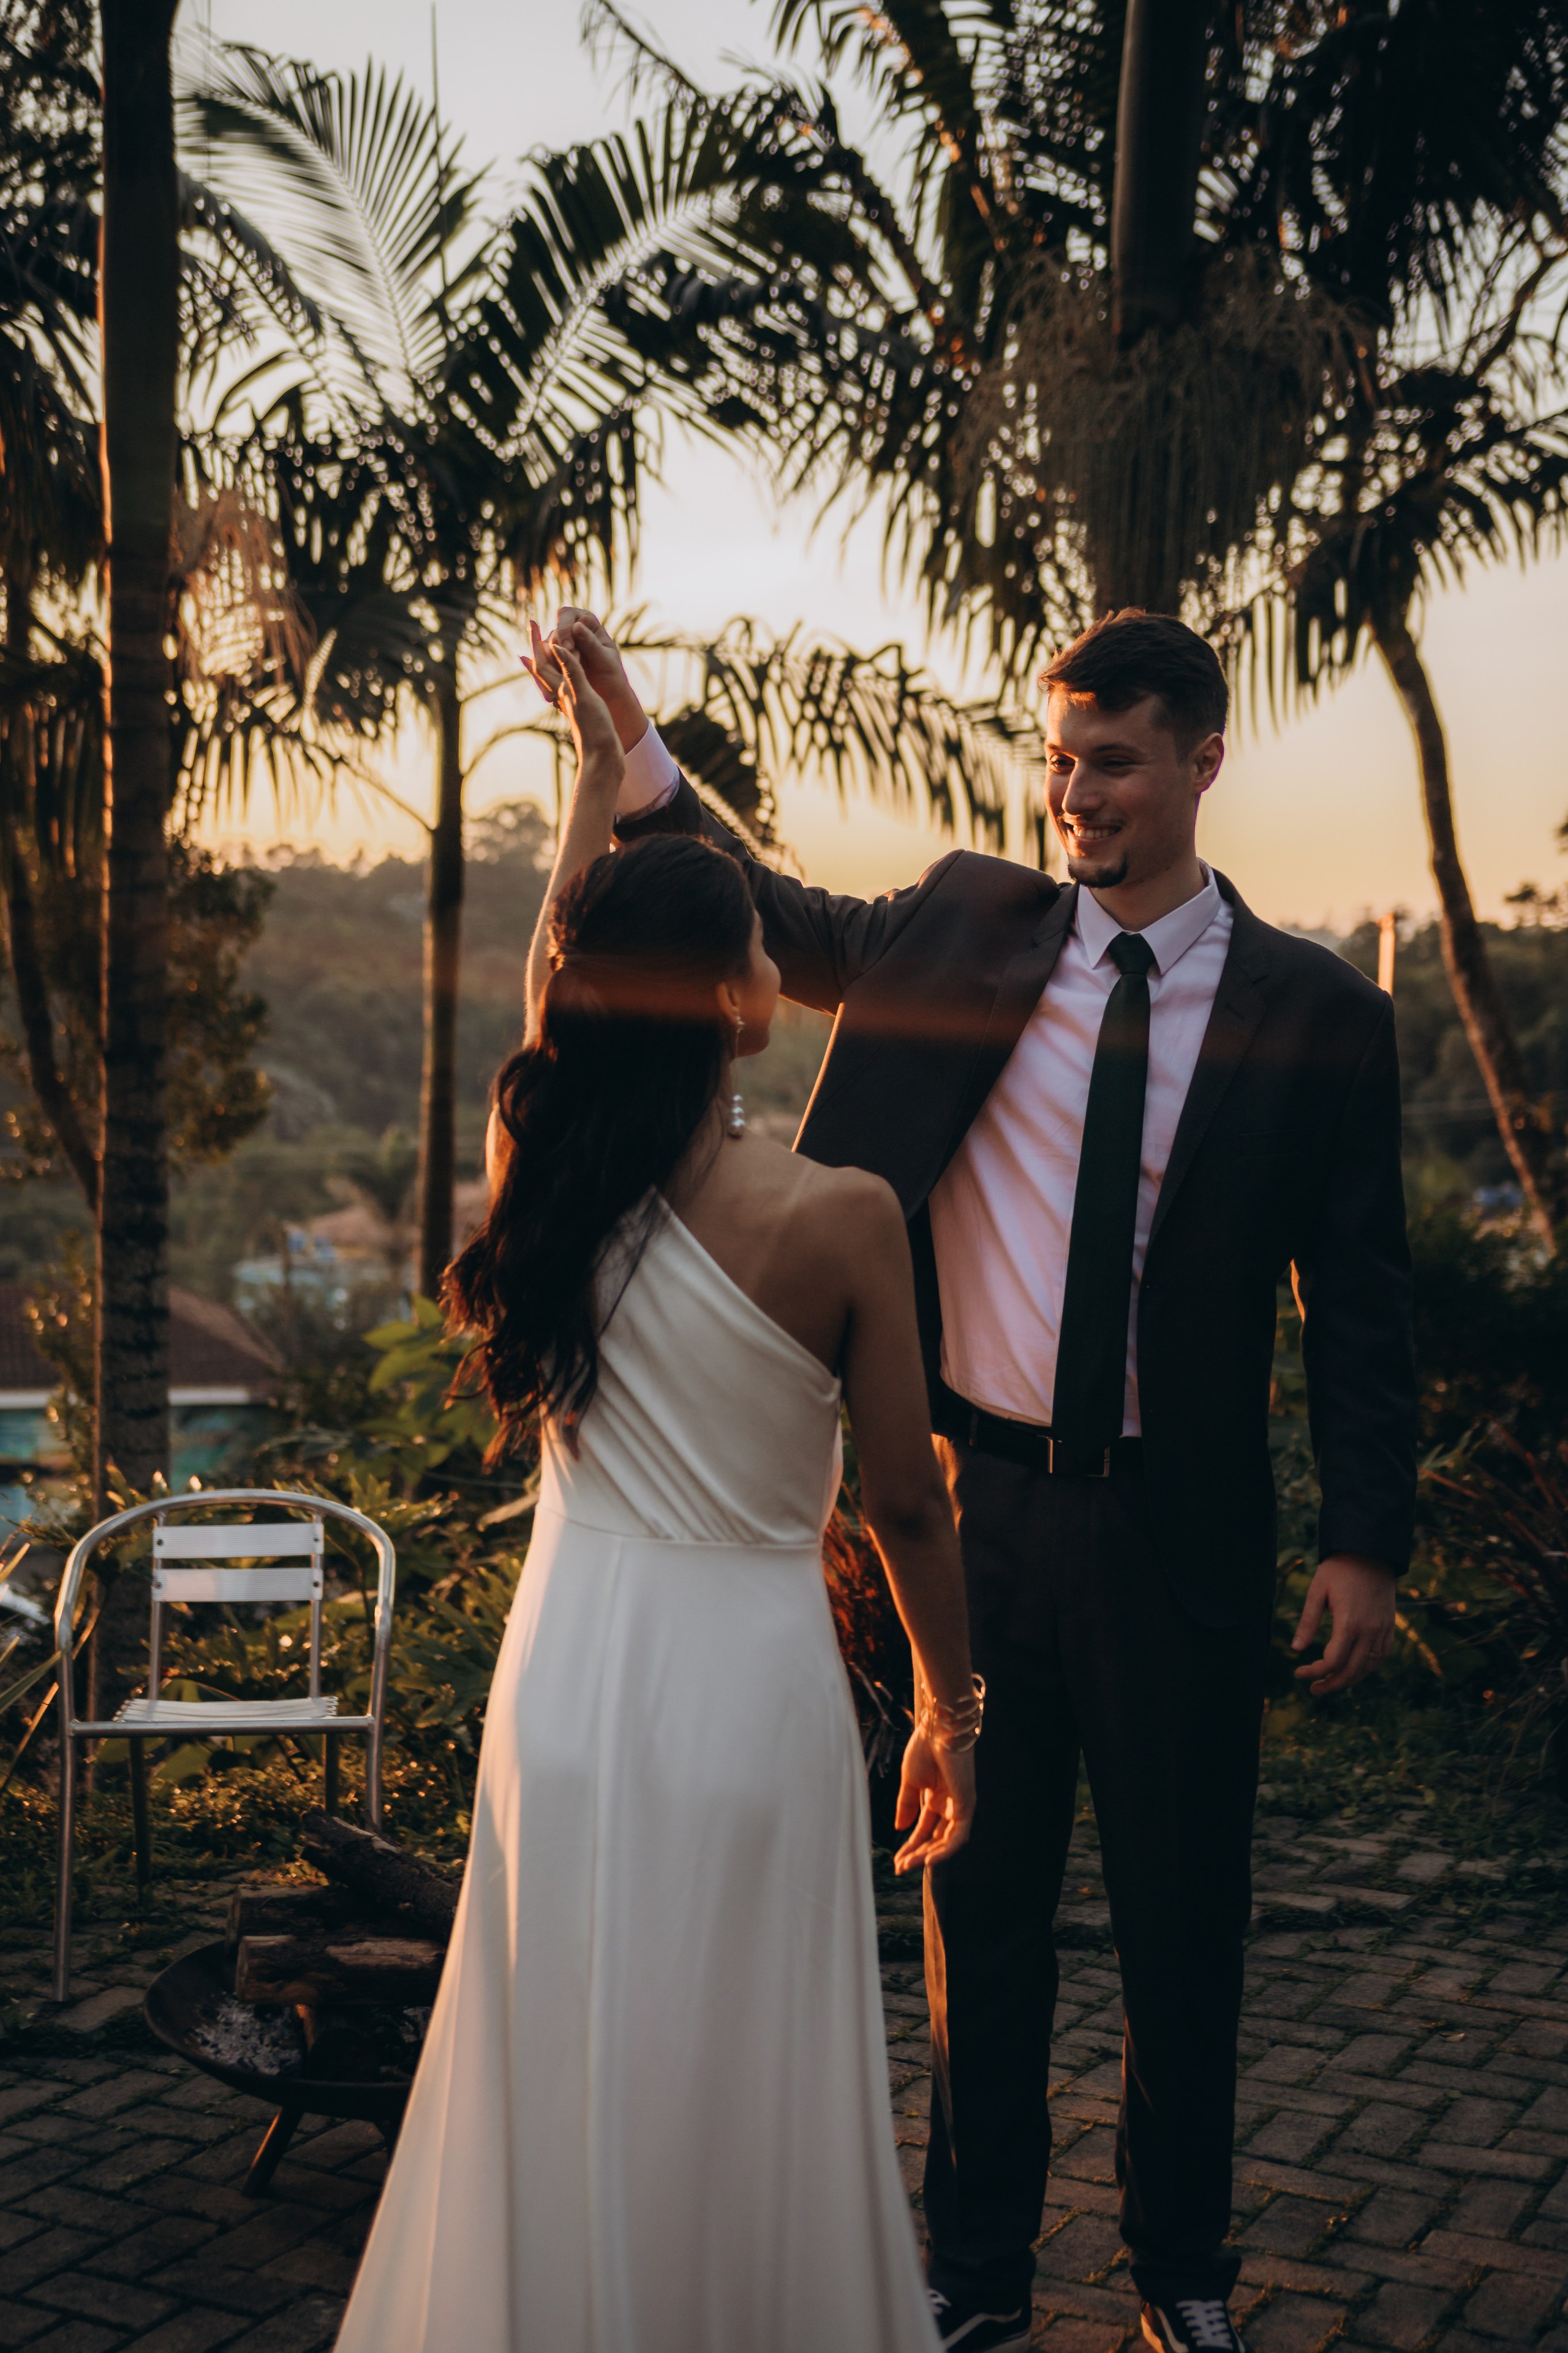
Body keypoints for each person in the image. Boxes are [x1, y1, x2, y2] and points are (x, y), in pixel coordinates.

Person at [527, 605, 1418, 2353]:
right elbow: (761, 907)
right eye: (1059, 758)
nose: (1073, 793)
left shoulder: (1321, 1010)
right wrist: (633, 750)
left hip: (1186, 1527)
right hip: (977, 1509)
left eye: (1113, 762)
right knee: (977, 1916)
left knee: (1186, 1923)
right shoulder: (964, 927)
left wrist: (1368, 1540)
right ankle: (977, 2276)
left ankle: (1181, 2274)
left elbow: (1364, 1294)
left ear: (1203, 764)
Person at [333, 626, 979, 2353]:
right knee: (742, 2063)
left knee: (567, 2044)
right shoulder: (837, 1216)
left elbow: (562, 957)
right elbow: (907, 1507)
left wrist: (596, 762)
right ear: (749, 999)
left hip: (569, 1676)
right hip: (748, 1687)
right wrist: (949, 1703)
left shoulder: (537, 1155)